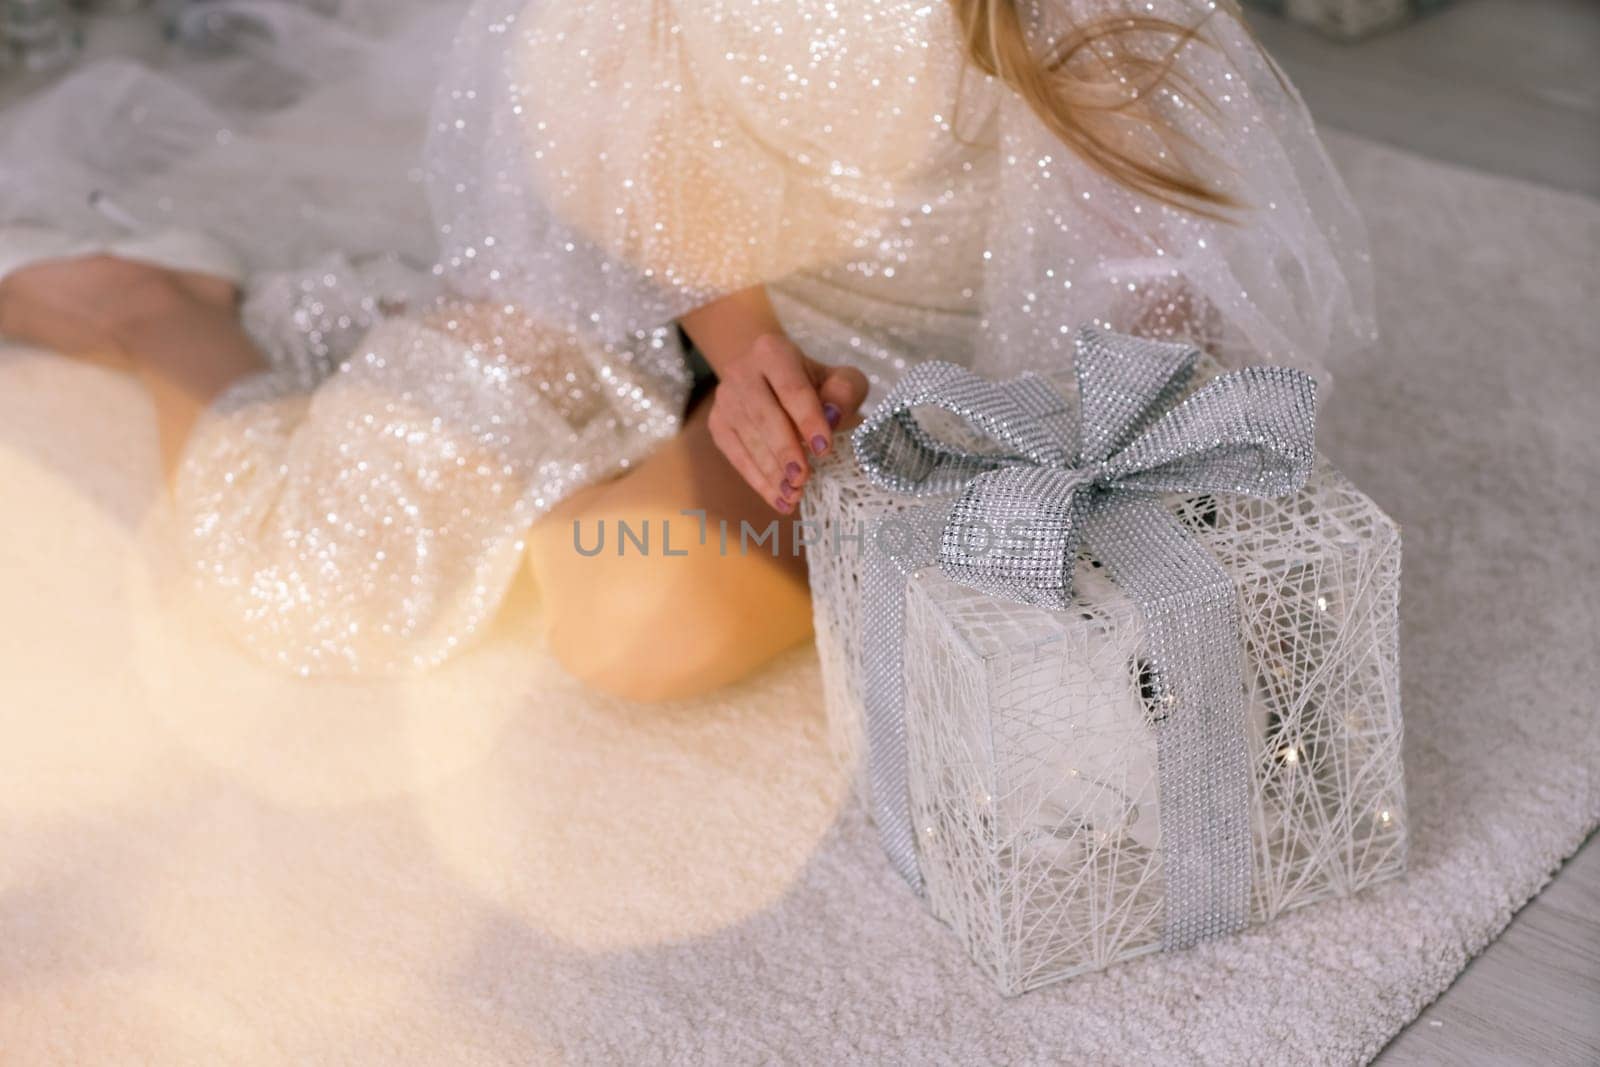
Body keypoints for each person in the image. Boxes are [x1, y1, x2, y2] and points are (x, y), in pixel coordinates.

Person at [0, 0, 1373, 700]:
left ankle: (575, 479)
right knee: (312, 586)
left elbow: (1154, 288)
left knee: (628, 627)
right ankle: (149, 306)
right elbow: (628, 141)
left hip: (919, 370)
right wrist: (746, 334)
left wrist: (943, 433)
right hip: (647, 274)